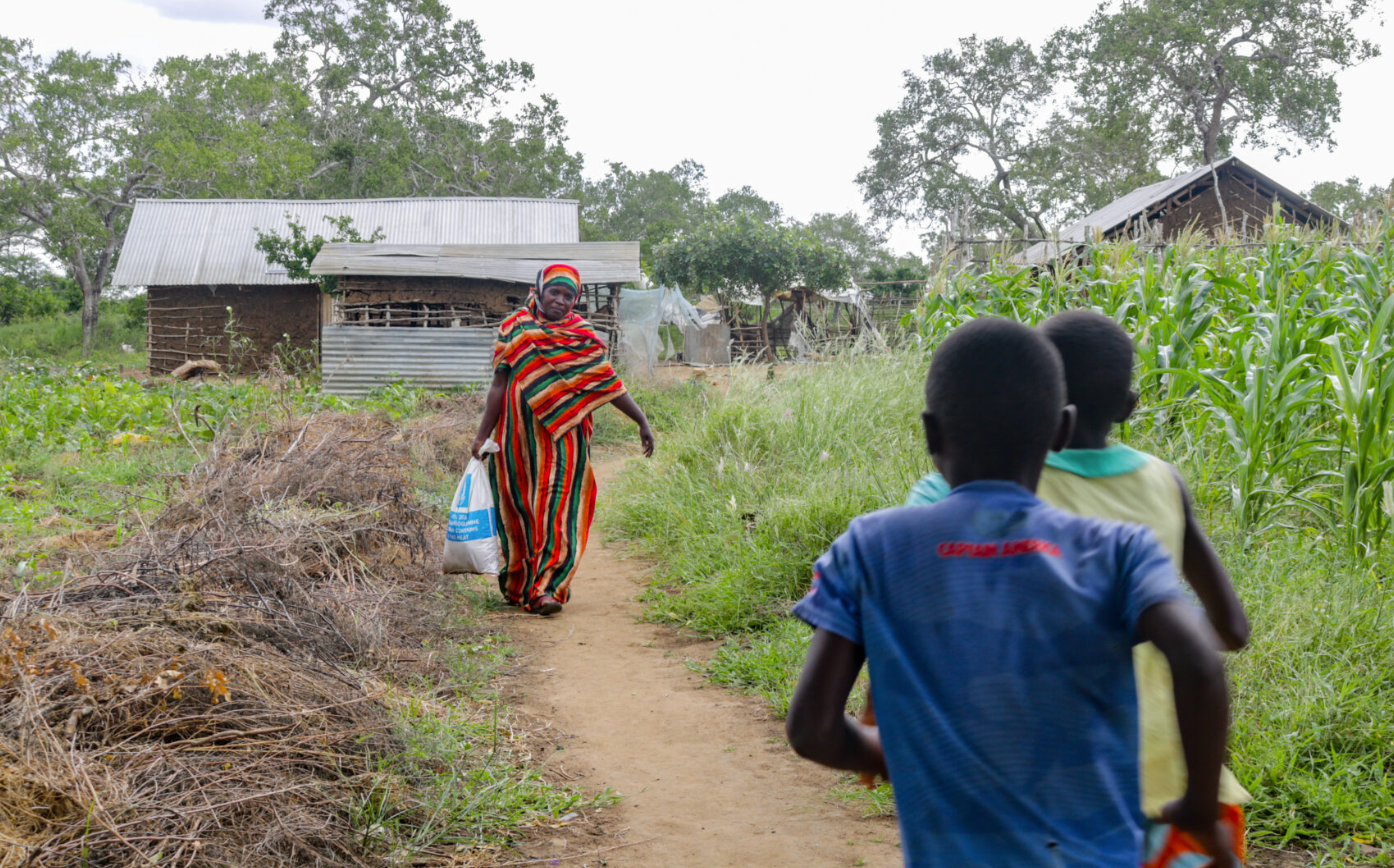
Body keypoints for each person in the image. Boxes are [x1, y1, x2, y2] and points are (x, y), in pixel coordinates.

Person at [785, 318, 1236, 868]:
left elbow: (812, 730)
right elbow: (1201, 661)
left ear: (930, 433)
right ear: (1060, 432)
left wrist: (904, 750)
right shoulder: (1120, 549)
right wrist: (1196, 803)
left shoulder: (871, 546)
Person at [470, 264, 654, 616]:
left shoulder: (582, 334)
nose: (561, 300)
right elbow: (498, 386)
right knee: (521, 506)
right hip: (516, 436)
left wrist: (641, 421)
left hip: (566, 436)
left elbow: (607, 384)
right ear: (537, 290)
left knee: (558, 507)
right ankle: (520, 583)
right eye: (555, 291)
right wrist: (482, 435)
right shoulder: (514, 328)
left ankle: (547, 588)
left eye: (569, 295)